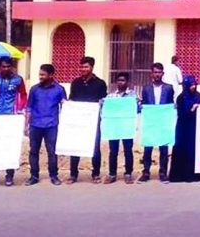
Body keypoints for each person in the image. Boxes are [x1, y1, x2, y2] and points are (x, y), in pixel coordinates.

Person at [0, 56, 28, 186]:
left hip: (11, 116)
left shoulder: (18, 80)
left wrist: (20, 108)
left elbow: (24, 95)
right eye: (3, 66)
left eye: (8, 66)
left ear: (12, 67)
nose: (6, 69)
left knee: (10, 145)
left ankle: (9, 176)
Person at [67, 56, 107, 184]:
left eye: (86, 66)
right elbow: (72, 99)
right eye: (82, 66)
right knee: (75, 146)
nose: (83, 69)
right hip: (78, 120)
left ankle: (95, 174)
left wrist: (101, 103)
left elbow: (103, 101)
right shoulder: (76, 82)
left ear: (92, 67)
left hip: (93, 120)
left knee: (95, 148)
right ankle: (73, 174)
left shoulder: (100, 83)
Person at [25, 64, 66, 186]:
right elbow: (29, 108)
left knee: (52, 151)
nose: (40, 77)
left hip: (51, 125)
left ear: (51, 75)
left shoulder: (59, 89)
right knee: (33, 151)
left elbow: (66, 106)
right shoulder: (34, 89)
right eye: (40, 74)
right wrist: (26, 125)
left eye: (43, 75)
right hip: (35, 124)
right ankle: (34, 176)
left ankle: (54, 176)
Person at [138, 62, 175, 184]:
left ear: (162, 73)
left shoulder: (169, 88)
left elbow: (170, 104)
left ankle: (163, 172)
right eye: (155, 72)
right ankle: (146, 172)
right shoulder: (146, 88)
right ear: (151, 74)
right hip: (151, 121)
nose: (157, 74)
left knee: (163, 147)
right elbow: (144, 104)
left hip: (163, 121)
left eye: (159, 72)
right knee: (148, 147)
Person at [170, 75, 200, 183]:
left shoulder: (198, 96)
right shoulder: (181, 97)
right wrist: (192, 108)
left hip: (194, 127)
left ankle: (192, 175)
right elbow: (182, 113)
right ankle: (179, 176)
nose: (193, 86)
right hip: (183, 127)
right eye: (191, 84)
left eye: (194, 84)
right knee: (181, 149)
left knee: (192, 149)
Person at [105, 72, 135, 184]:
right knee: (113, 151)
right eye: (118, 80)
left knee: (128, 150)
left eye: (123, 80)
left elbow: (137, 109)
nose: (120, 82)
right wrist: (103, 104)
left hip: (127, 126)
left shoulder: (132, 96)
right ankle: (112, 174)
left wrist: (138, 104)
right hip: (114, 127)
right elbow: (106, 111)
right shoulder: (111, 96)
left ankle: (128, 173)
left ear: (127, 82)